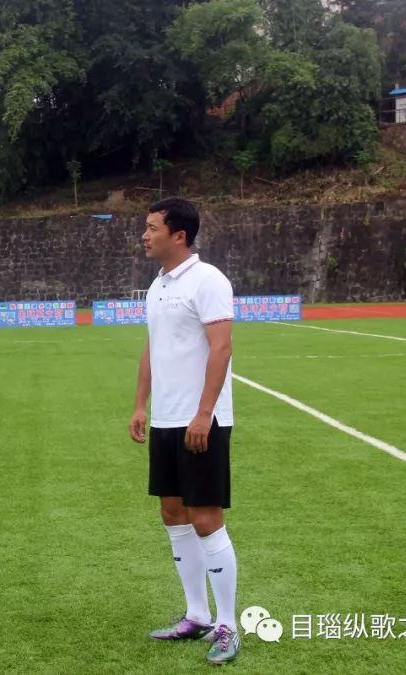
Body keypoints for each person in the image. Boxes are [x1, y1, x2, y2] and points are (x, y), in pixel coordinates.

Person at [128, 196, 240, 664]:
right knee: (173, 513)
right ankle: (196, 614)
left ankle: (228, 625)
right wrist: (140, 404)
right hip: (165, 420)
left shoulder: (208, 280)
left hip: (201, 421)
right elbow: (153, 348)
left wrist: (204, 414)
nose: (144, 235)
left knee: (205, 517)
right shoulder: (157, 286)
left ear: (179, 235)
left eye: (152, 227)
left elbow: (221, 347)